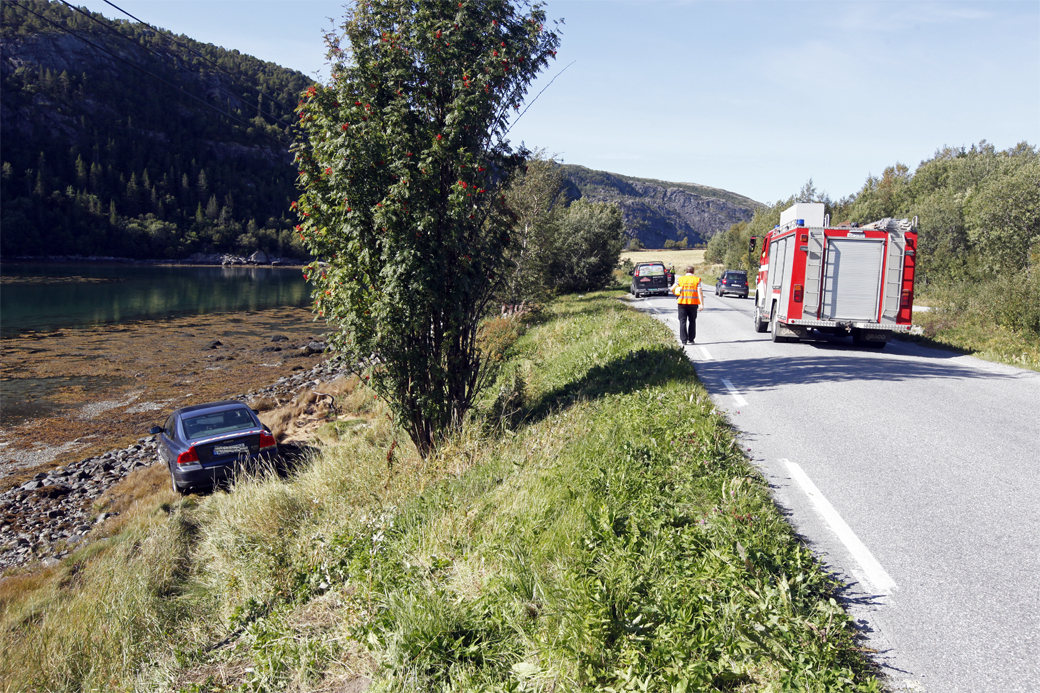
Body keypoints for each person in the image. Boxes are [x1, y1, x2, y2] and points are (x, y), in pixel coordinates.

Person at [671, 265, 703, 345]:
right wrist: (701, 304)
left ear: (686, 271)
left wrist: (676, 295)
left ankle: (684, 340)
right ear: (693, 272)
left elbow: (672, 289)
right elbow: (700, 292)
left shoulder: (680, 279)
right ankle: (691, 339)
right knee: (692, 321)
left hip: (682, 303)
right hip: (693, 303)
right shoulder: (697, 279)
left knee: (682, 321)